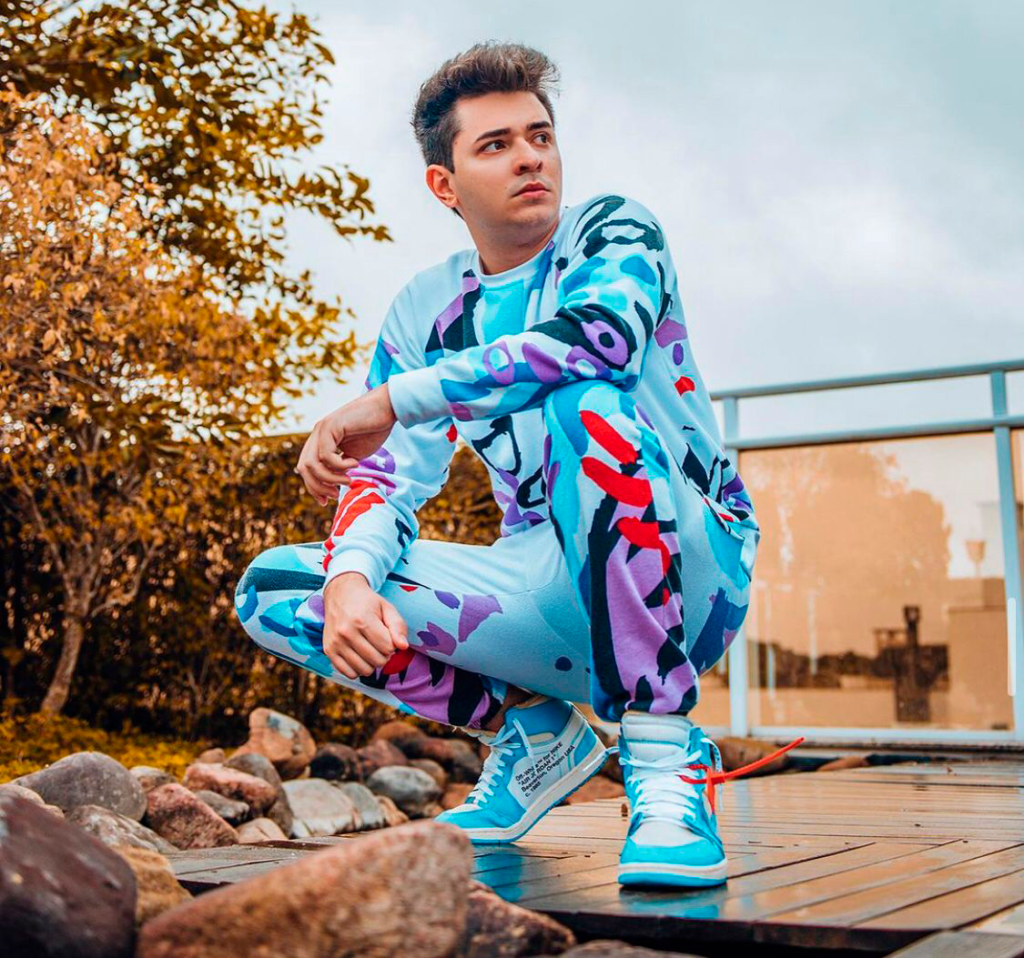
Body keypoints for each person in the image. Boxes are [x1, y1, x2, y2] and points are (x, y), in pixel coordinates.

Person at [234, 40, 759, 888]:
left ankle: (665, 760)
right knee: (284, 591)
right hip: (544, 591)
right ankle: (534, 733)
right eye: (496, 144)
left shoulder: (613, 229)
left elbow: (600, 340)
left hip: (689, 570)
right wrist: (352, 580)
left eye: (540, 136)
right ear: (445, 185)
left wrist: (394, 397)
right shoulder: (426, 309)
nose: (530, 157)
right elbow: (387, 478)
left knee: (585, 401)